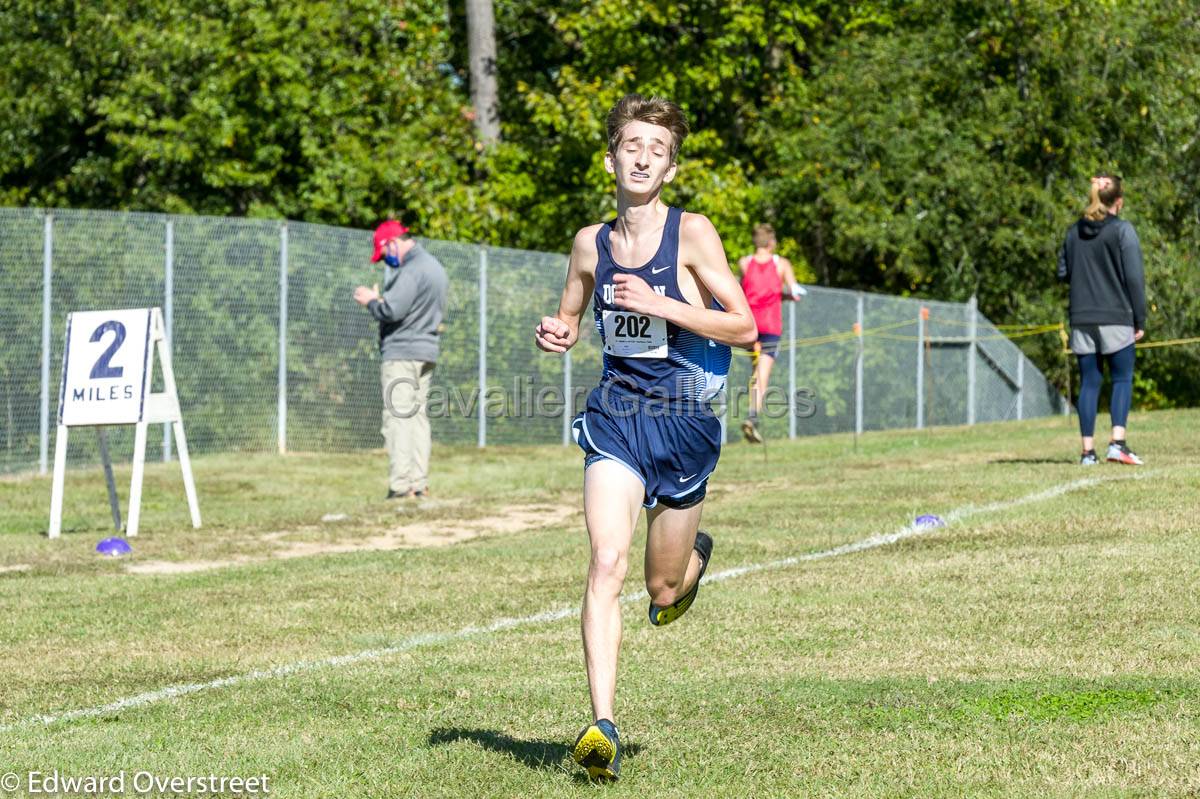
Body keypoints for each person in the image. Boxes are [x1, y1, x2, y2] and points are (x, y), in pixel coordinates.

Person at [535, 94, 756, 781]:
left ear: (670, 168)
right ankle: (602, 725)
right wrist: (561, 332)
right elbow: (572, 313)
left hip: (687, 420)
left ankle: (691, 563)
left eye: (657, 150)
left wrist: (664, 303)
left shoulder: (693, 234)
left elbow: (745, 327)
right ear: (612, 158)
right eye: (632, 145)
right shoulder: (588, 244)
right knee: (606, 560)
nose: (643, 157)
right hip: (618, 416)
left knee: (661, 590)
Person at [354, 220, 449, 498]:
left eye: (384, 254)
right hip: (426, 350)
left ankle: (399, 486)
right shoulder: (434, 267)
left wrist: (372, 300)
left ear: (392, 243)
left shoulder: (411, 269)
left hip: (402, 354)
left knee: (397, 419)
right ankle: (418, 484)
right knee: (417, 419)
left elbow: (392, 311)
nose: (386, 260)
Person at [1057, 174, 1146, 465]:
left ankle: (1087, 453)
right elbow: (1134, 278)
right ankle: (1117, 444)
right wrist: (1140, 319)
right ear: (1118, 201)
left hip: (1081, 317)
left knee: (1090, 382)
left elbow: (1062, 272)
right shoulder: (1123, 231)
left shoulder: (1073, 232)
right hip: (1116, 316)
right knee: (1121, 378)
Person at [737, 224, 804, 443]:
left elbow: (744, 291)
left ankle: (753, 416)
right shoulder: (781, 264)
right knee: (762, 373)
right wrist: (786, 295)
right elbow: (794, 293)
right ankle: (753, 417)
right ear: (772, 242)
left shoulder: (744, 263)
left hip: (749, 326)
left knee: (756, 370)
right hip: (770, 326)